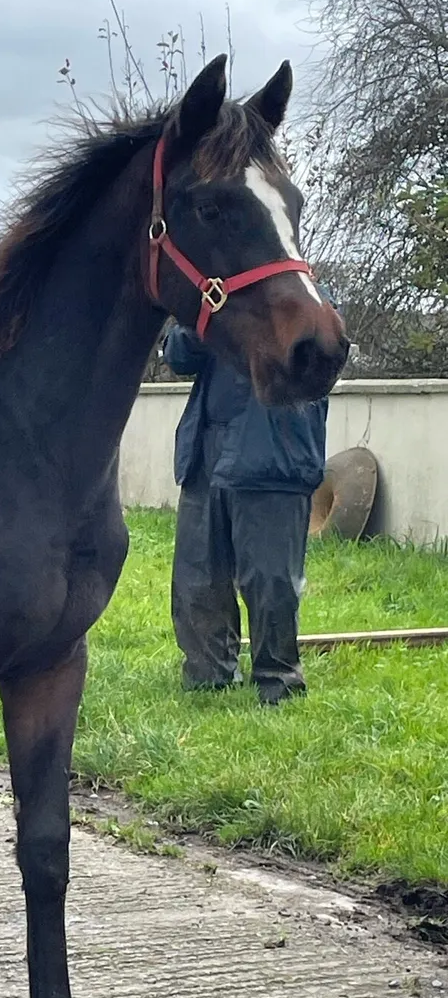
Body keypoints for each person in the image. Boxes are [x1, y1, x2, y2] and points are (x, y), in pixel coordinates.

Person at [163, 285, 341, 705]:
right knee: (197, 576)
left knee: (271, 581)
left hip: (273, 456)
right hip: (207, 452)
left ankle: (277, 681)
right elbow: (177, 355)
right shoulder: (215, 302)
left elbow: (320, 356)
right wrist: (204, 320)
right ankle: (207, 676)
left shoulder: (312, 299)